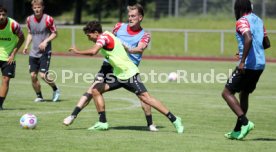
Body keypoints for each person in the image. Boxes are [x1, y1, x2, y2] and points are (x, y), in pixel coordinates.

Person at [68, 21, 184, 133]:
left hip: (129, 73)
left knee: (146, 99)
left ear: (96, 32)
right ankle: (102, 122)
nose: (89, 38)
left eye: (89, 36)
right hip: (118, 75)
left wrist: (77, 51)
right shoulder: (109, 34)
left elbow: (93, 52)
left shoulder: (103, 38)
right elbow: (121, 46)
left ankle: (174, 119)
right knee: (95, 90)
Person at [63, 4, 158, 131]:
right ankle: (73, 115)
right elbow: (107, 39)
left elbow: (140, 49)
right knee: (93, 89)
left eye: (133, 16)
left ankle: (150, 124)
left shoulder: (145, 35)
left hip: (128, 69)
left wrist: (129, 49)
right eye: (129, 16)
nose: (130, 18)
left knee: (144, 97)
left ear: (140, 17)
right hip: (109, 66)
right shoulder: (118, 27)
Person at [222, 0, 270, 140]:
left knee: (226, 93)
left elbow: (248, 38)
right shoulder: (259, 20)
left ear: (238, 8)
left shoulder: (242, 21)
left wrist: (242, 61)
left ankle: (245, 122)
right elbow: (266, 43)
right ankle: (237, 130)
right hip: (260, 64)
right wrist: (243, 51)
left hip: (247, 65)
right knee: (244, 94)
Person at [23, 0, 60, 102]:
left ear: (42, 7)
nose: (37, 9)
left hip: (45, 52)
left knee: (43, 75)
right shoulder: (29, 19)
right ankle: (39, 96)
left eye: (39, 7)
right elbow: (30, 33)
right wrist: (26, 46)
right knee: (33, 75)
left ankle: (56, 90)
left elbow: (55, 33)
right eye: (35, 8)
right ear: (32, 8)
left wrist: (45, 42)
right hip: (33, 52)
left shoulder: (48, 19)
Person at [0, 5, 25, 110]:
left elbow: (22, 38)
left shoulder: (14, 25)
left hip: (8, 57)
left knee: (6, 80)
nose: (1, 17)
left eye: (3, 15)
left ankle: (0, 104)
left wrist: (13, 53)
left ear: (6, 15)